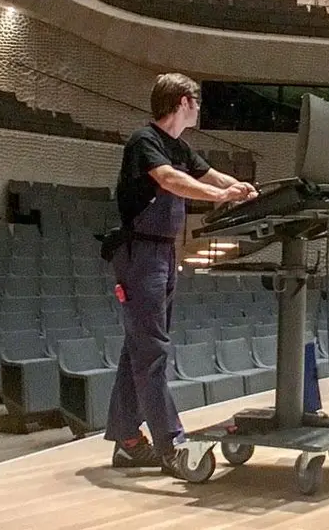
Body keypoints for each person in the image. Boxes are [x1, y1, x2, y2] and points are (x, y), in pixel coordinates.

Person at [106, 72, 257, 472]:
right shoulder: (145, 142)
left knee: (139, 346)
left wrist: (240, 189)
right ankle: (171, 444)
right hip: (140, 255)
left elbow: (210, 175)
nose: (199, 107)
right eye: (197, 100)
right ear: (181, 102)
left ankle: (127, 439)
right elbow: (172, 180)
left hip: (163, 255)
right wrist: (218, 196)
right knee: (151, 350)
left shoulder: (179, 145)